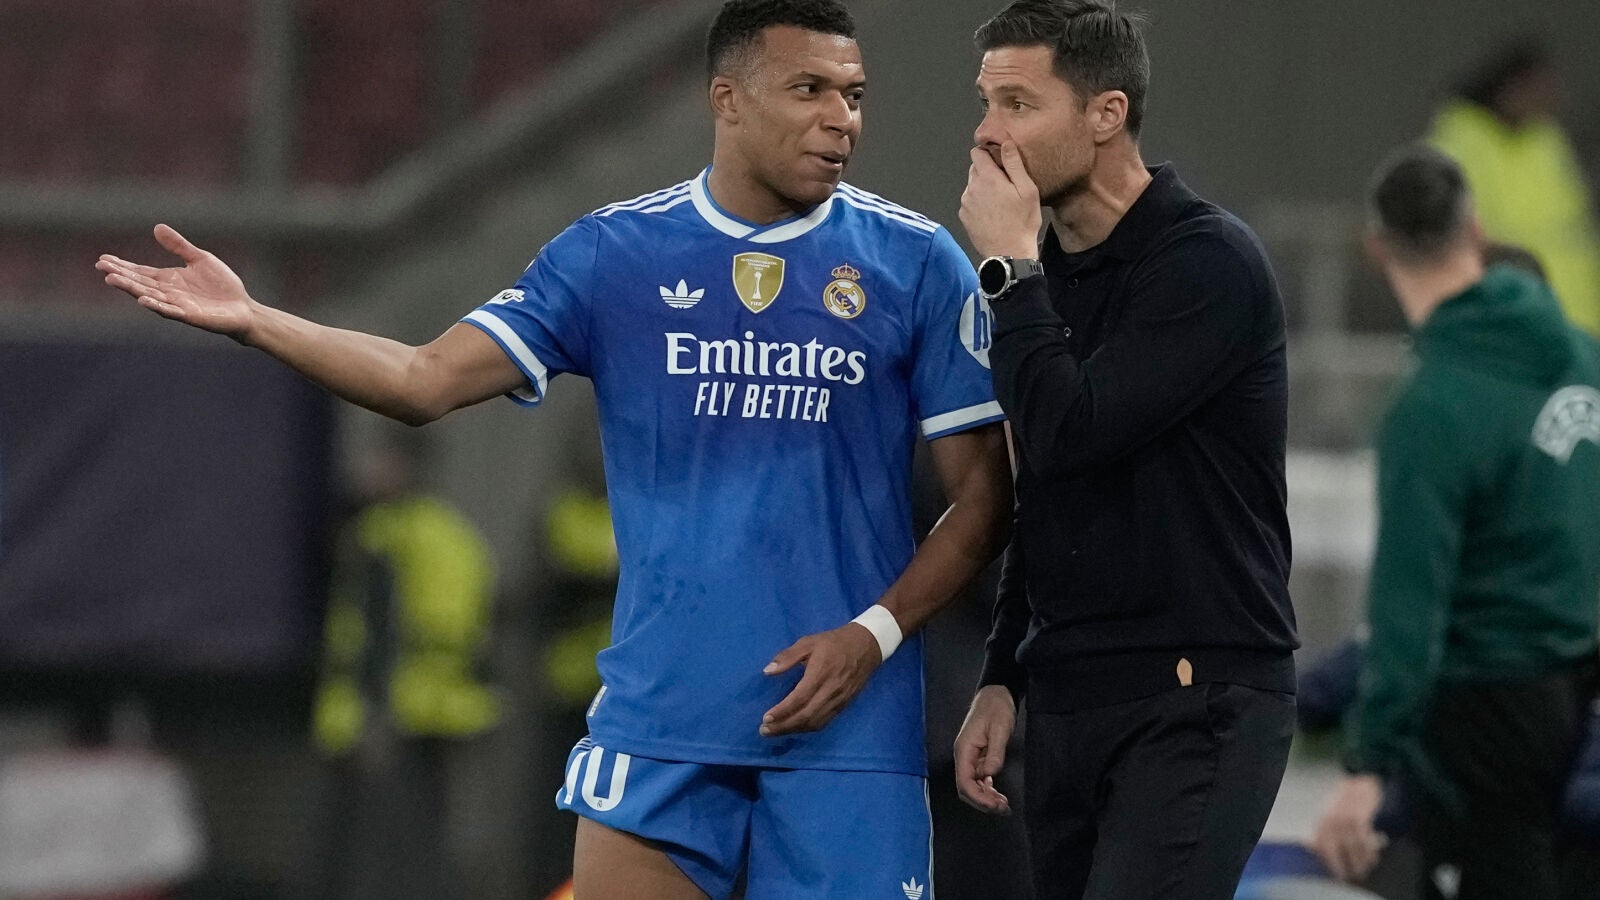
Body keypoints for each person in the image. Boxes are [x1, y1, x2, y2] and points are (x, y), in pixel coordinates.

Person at [95, 1, 1014, 897]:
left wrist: (873, 634)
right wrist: (257, 319)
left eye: (854, 94)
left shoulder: (915, 263)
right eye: (809, 89)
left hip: (847, 733)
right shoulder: (617, 253)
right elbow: (421, 378)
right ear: (727, 99)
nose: (841, 118)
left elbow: (981, 502)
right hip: (659, 727)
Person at [951, 1, 1299, 896]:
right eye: (986, 104)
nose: (987, 133)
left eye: (1018, 105)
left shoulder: (1206, 263)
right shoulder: (1041, 283)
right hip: (1069, 700)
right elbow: (1044, 492)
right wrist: (1003, 675)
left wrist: (1009, 272)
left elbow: (1071, 432)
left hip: (1194, 696)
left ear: (1106, 113)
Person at [1311, 145, 1600, 899]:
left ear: (1379, 249)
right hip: (1578, 691)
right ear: (1474, 230)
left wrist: (1369, 762)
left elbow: (1410, 603)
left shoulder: (1430, 409)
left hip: (1484, 704)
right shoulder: (1585, 361)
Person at [311, 429, 500, 900]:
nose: (368, 471)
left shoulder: (392, 536)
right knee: (417, 845)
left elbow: (385, 636)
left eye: (381, 459)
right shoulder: (448, 535)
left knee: (386, 851)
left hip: (397, 718)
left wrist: (374, 718)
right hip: (430, 716)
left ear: (406, 465)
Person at [1428, 40, 1600, 336]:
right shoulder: (1461, 142)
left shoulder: (1546, 141)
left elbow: (1572, 228)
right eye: (1538, 87)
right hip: (1501, 320)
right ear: (1509, 88)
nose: (1550, 97)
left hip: (1573, 320)